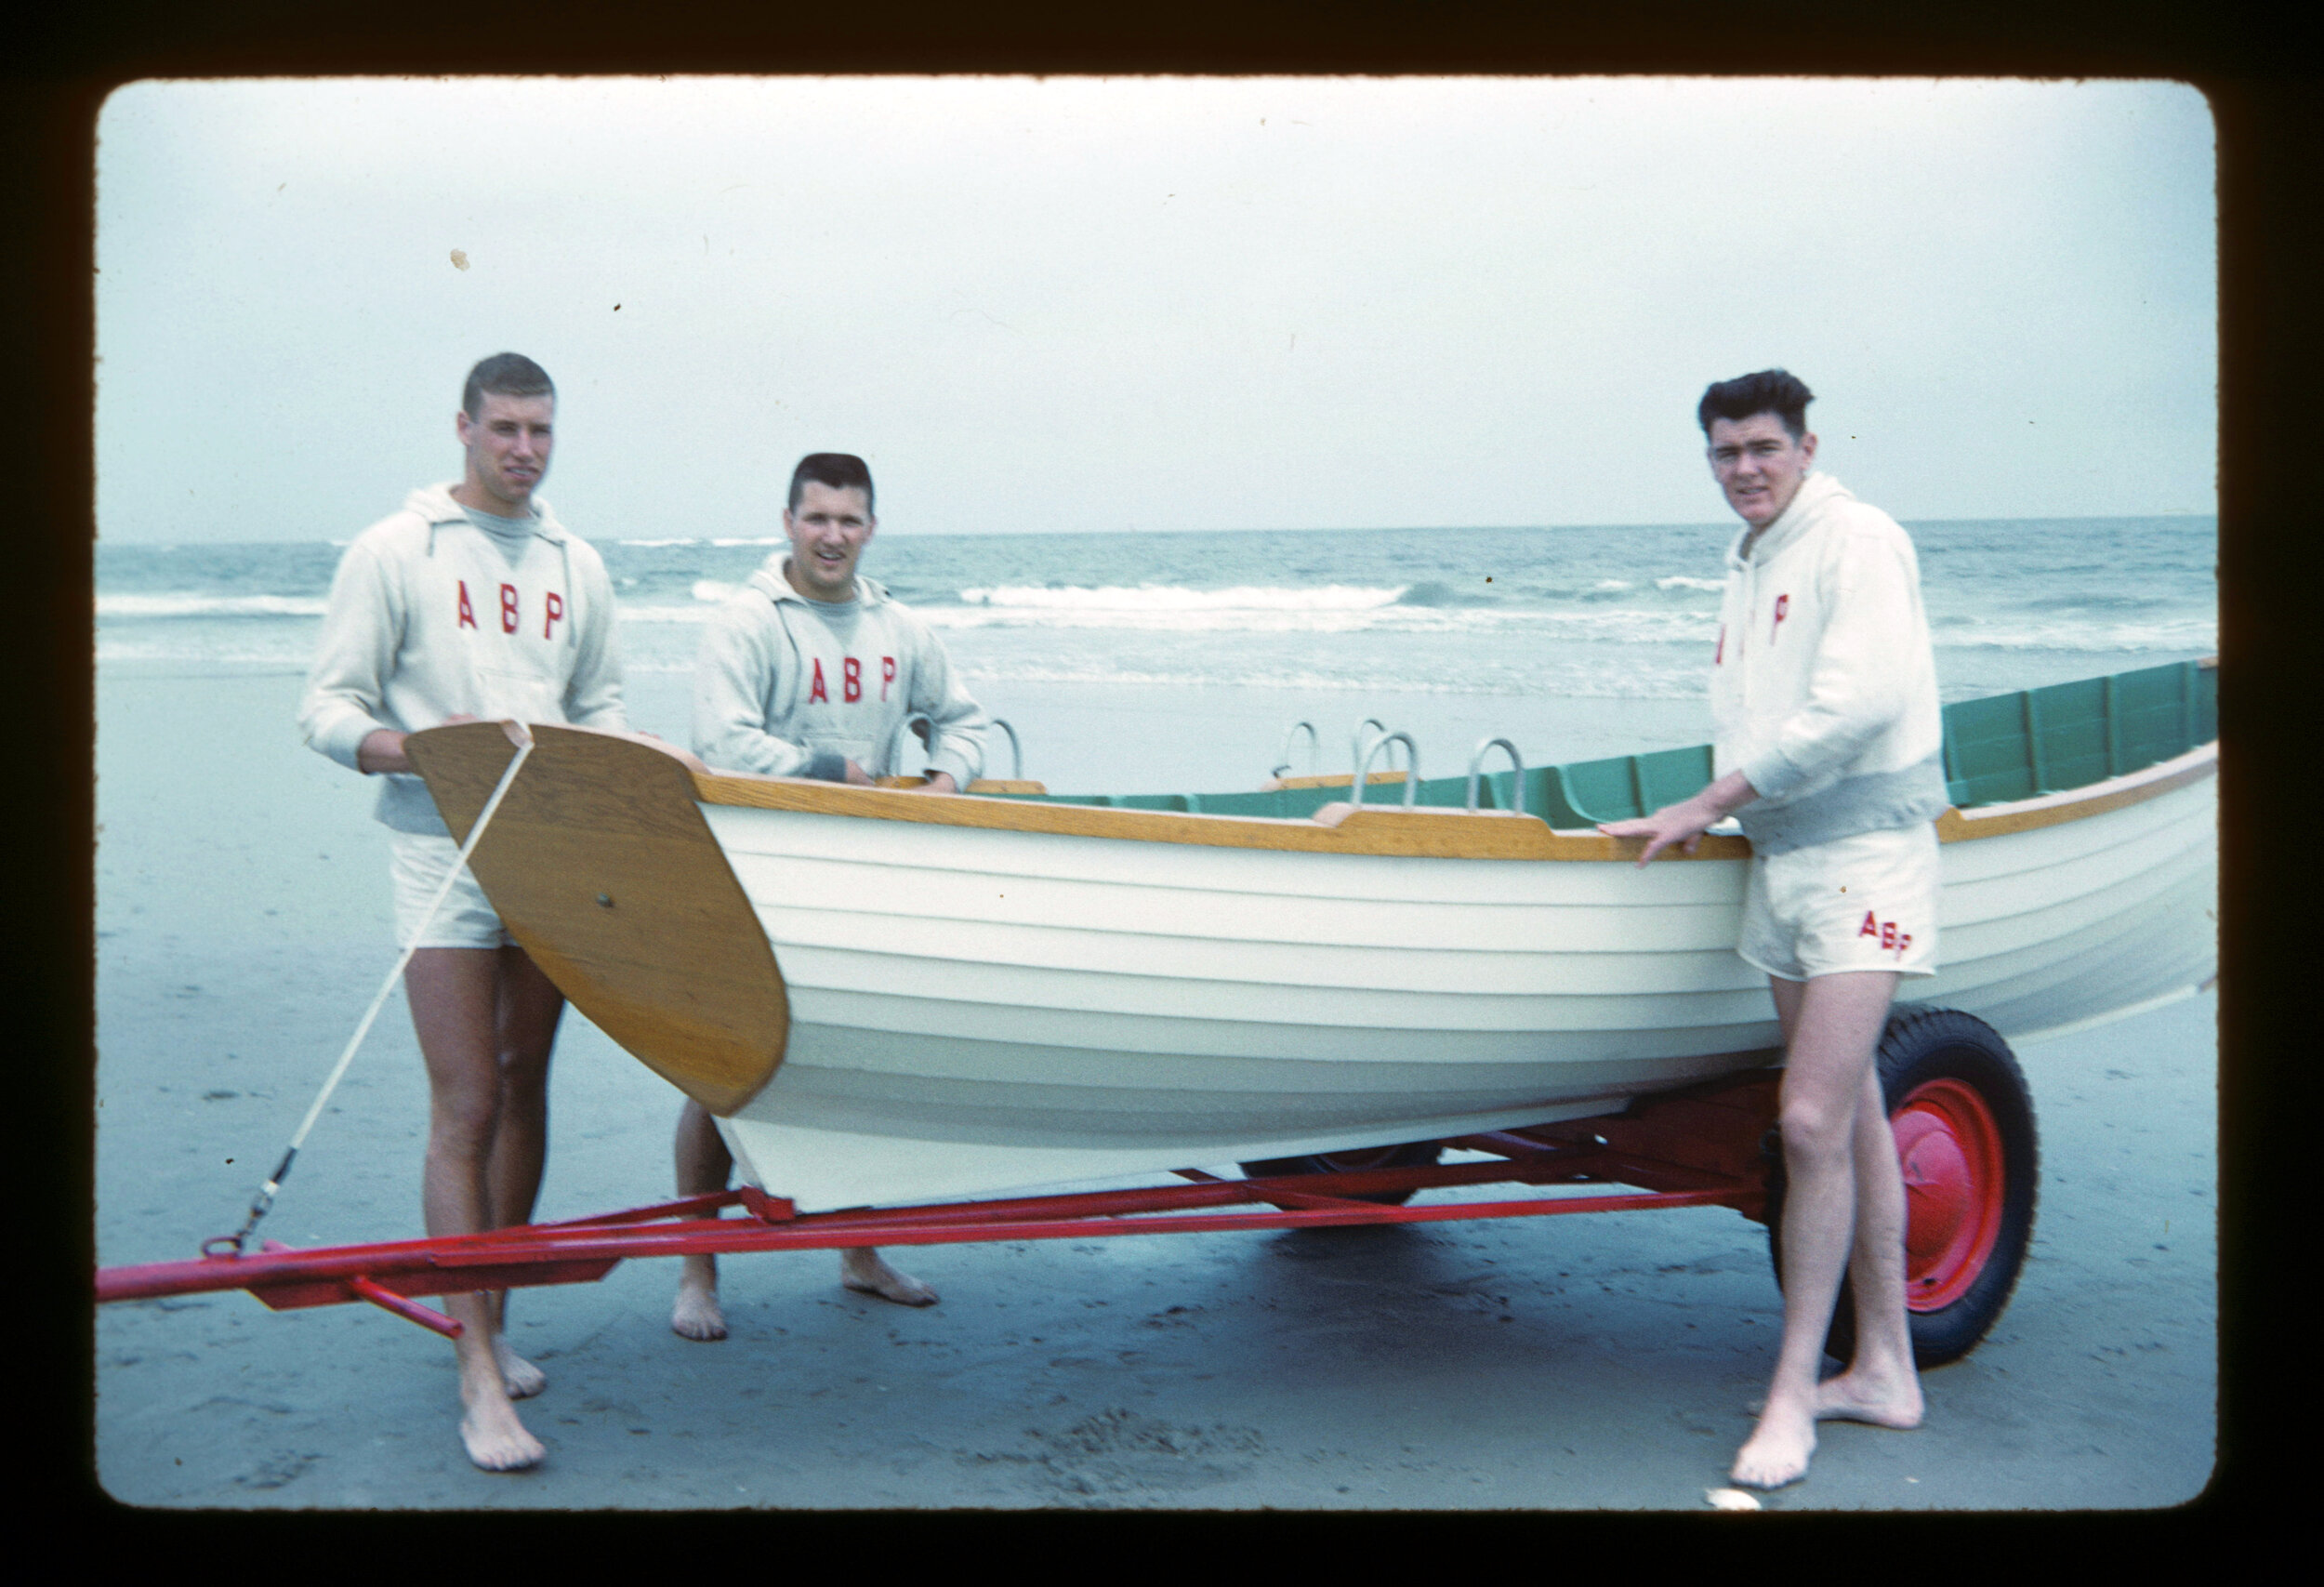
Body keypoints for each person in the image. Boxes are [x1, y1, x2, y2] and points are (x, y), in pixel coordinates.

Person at [1598, 369, 1945, 1489]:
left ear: (1804, 444)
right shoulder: (1752, 559)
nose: (1741, 468)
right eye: (1722, 452)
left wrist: (1705, 802)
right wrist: (1723, 808)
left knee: (1805, 1120)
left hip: (1865, 861)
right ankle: (1884, 1370)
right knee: (1851, 1122)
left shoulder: (1858, 539)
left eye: (1760, 447)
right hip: (1785, 858)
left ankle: (1794, 1391)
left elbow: (1860, 707)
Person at [297, 352, 625, 1472]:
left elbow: (600, 705)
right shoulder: (394, 550)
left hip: (547, 853)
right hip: (436, 853)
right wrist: (418, 752)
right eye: (504, 430)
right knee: (467, 1098)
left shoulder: (578, 562)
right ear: (463, 429)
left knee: (528, 1081)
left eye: (540, 430)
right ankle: (474, 1371)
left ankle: (491, 1317)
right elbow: (328, 711)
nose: (523, 450)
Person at [671, 451, 988, 1341]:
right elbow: (721, 742)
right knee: (721, 1076)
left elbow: (965, 720)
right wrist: (829, 772)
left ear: (871, 528)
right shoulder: (748, 621)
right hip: (752, 875)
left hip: (860, 880)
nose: (833, 536)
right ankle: (697, 1272)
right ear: (788, 521)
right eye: (817, 518)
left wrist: (942, 785)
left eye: (849, 521)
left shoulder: (898, 624)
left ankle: (860, 1251)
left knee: (860, 1062)